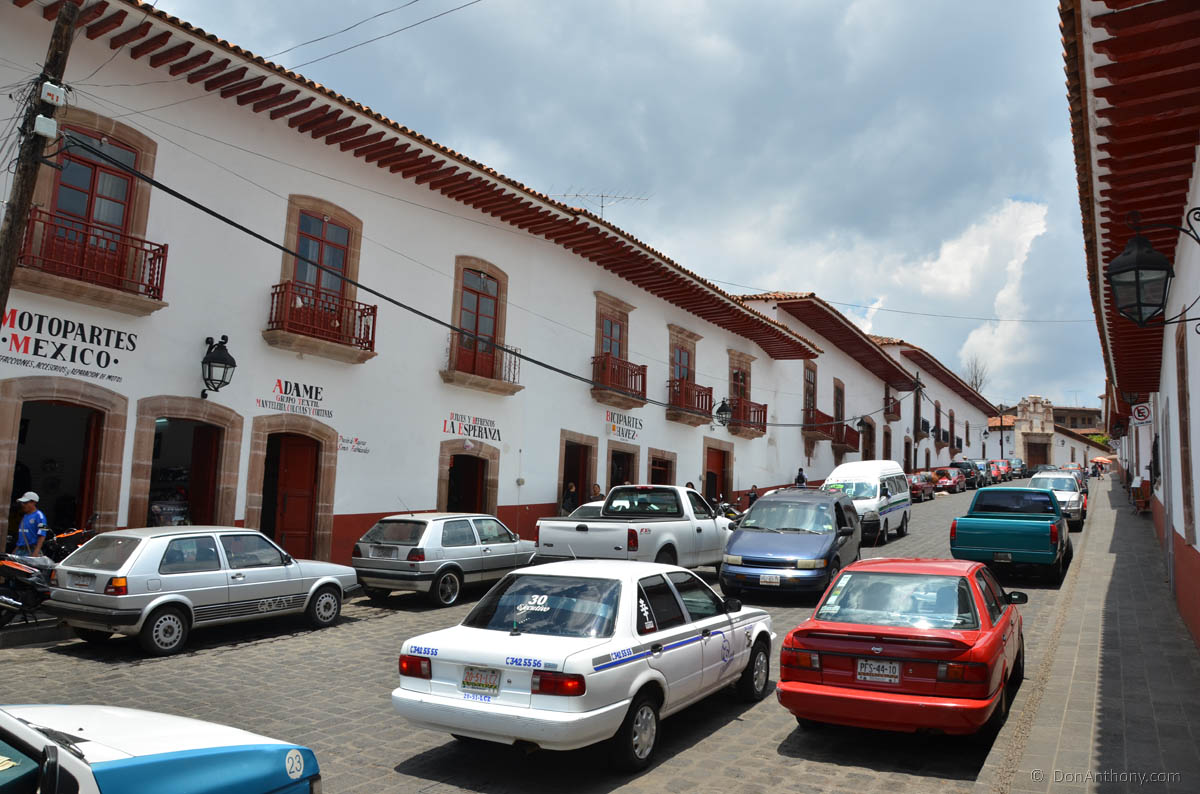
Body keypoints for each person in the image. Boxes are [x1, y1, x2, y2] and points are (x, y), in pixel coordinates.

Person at [14, 491, 48, 557]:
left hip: (31, 550)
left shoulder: (40, 516)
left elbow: (43, 534)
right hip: (20, 550)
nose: (23, 505)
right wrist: (15, 550)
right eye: (22, 503)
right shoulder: (24, 516)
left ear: (33, 502)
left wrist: (36, 551)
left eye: (25, 503)